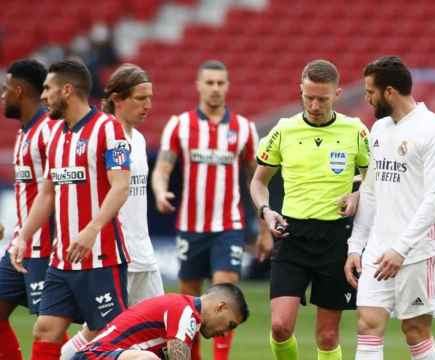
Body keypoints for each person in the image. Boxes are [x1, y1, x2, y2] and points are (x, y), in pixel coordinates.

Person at [10, 59, 131, 360]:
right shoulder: (56, 135)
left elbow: (121, 187)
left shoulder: (108, 128)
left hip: (101, 258)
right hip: (61, 260)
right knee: (45, 328)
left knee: (108, 338)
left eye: (49, 89)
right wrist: (24, 236)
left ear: (67, 90)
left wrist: (91, 230)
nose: (44, 96)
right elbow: (47, 193)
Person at [251, 59, 369, 360]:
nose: (315, 105)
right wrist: (266, 210)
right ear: (300, 91)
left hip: (335, 238)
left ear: (338, 94)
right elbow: (258, 182)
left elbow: (374, 179)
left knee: (327, 336)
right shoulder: (283, 130)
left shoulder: (355, 130)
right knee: (279, 326)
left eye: (322, 98)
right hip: (293, 235)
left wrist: (358, 195)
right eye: (309, 97)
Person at [152, 60, 267, 360]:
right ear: (199, 85)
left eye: (220, 83)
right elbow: (163, 167)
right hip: (191, 226)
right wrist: (160, 190)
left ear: (227, 86)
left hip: (229, 225)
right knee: (191, 299)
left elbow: (257, 180)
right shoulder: (180, 124)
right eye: (210, 82)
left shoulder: (244, 128)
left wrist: (264, 226)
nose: (215, 88)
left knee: (225, 289)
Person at [344, 56, 435, 360]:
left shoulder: (433, 130)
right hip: (379, 248)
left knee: (415, 331)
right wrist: (356, 247)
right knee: (367, 325)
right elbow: (371, 192)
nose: (367, 98)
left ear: (389, 92)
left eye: (370, 92)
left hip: (418, 251)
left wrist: (402, 249)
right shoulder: (378, 130)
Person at [61, 64, 164, 358]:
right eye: (140, 98)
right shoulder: (100, 136)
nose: (148, 106)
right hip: (113, 254)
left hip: (143, 252)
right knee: (101, 333)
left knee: (162, 328)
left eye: (150, 98)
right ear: (118, 98)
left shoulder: (140, 140)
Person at [0, 59, 52, 360]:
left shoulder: (48, 132)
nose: (3, 96)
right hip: (20, 247)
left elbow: (58, 190)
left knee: (52, 326)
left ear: (19, 91)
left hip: (46, 247)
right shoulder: (24, 134)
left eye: (6, 89)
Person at [71, 283, 249, 360]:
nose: (226, 333)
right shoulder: (185, 310)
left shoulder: (187, 315)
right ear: (221, 307)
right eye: (230, 325)